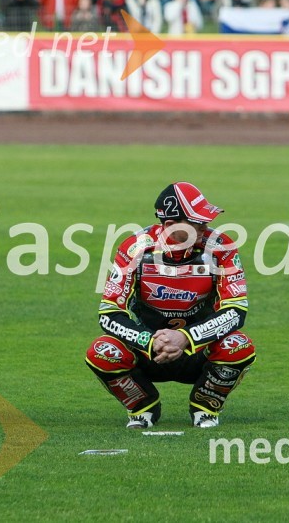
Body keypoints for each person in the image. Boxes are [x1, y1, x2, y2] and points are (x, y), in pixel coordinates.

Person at [85, 182, 255, 429]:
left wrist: (185, 337)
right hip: (148, 351)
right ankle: (142, 407)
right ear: (169, 226)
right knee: (101, 351)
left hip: (197, 350)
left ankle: (205, 407)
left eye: (205, 222)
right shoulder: (134, 248)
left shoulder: (221, 247)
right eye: (197, 223)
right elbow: (109, 313)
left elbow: (236, 310)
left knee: (239, 346)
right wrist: (149, 341)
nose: (204, 228)